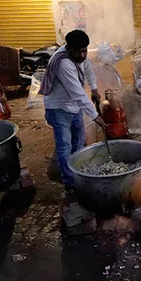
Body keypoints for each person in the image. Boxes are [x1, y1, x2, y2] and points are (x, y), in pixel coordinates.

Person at [40, 29, 104, 193]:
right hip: (58, 107)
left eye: (85, 50)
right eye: (79, 51)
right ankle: (70, 182)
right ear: (69, 49)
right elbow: (78, 93)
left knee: (79, 141)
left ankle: (79, 173)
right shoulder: (63, 63)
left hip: (73, 106)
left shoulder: (79, 56)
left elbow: (88, 67)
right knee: (65, 147)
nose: (83, 55)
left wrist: (95, 89)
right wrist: (96, 116)